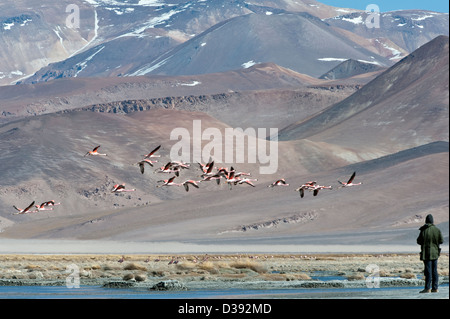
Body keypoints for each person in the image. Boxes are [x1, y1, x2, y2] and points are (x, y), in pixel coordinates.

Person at [416, 214, 444, 293]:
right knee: (434, 271)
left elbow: (419, 241)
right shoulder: (437, 230)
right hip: (435, 253)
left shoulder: (423, 230)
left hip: (426, 253)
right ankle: (435, 288)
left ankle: (427, 288)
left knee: (428, 271)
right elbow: (441, 241)